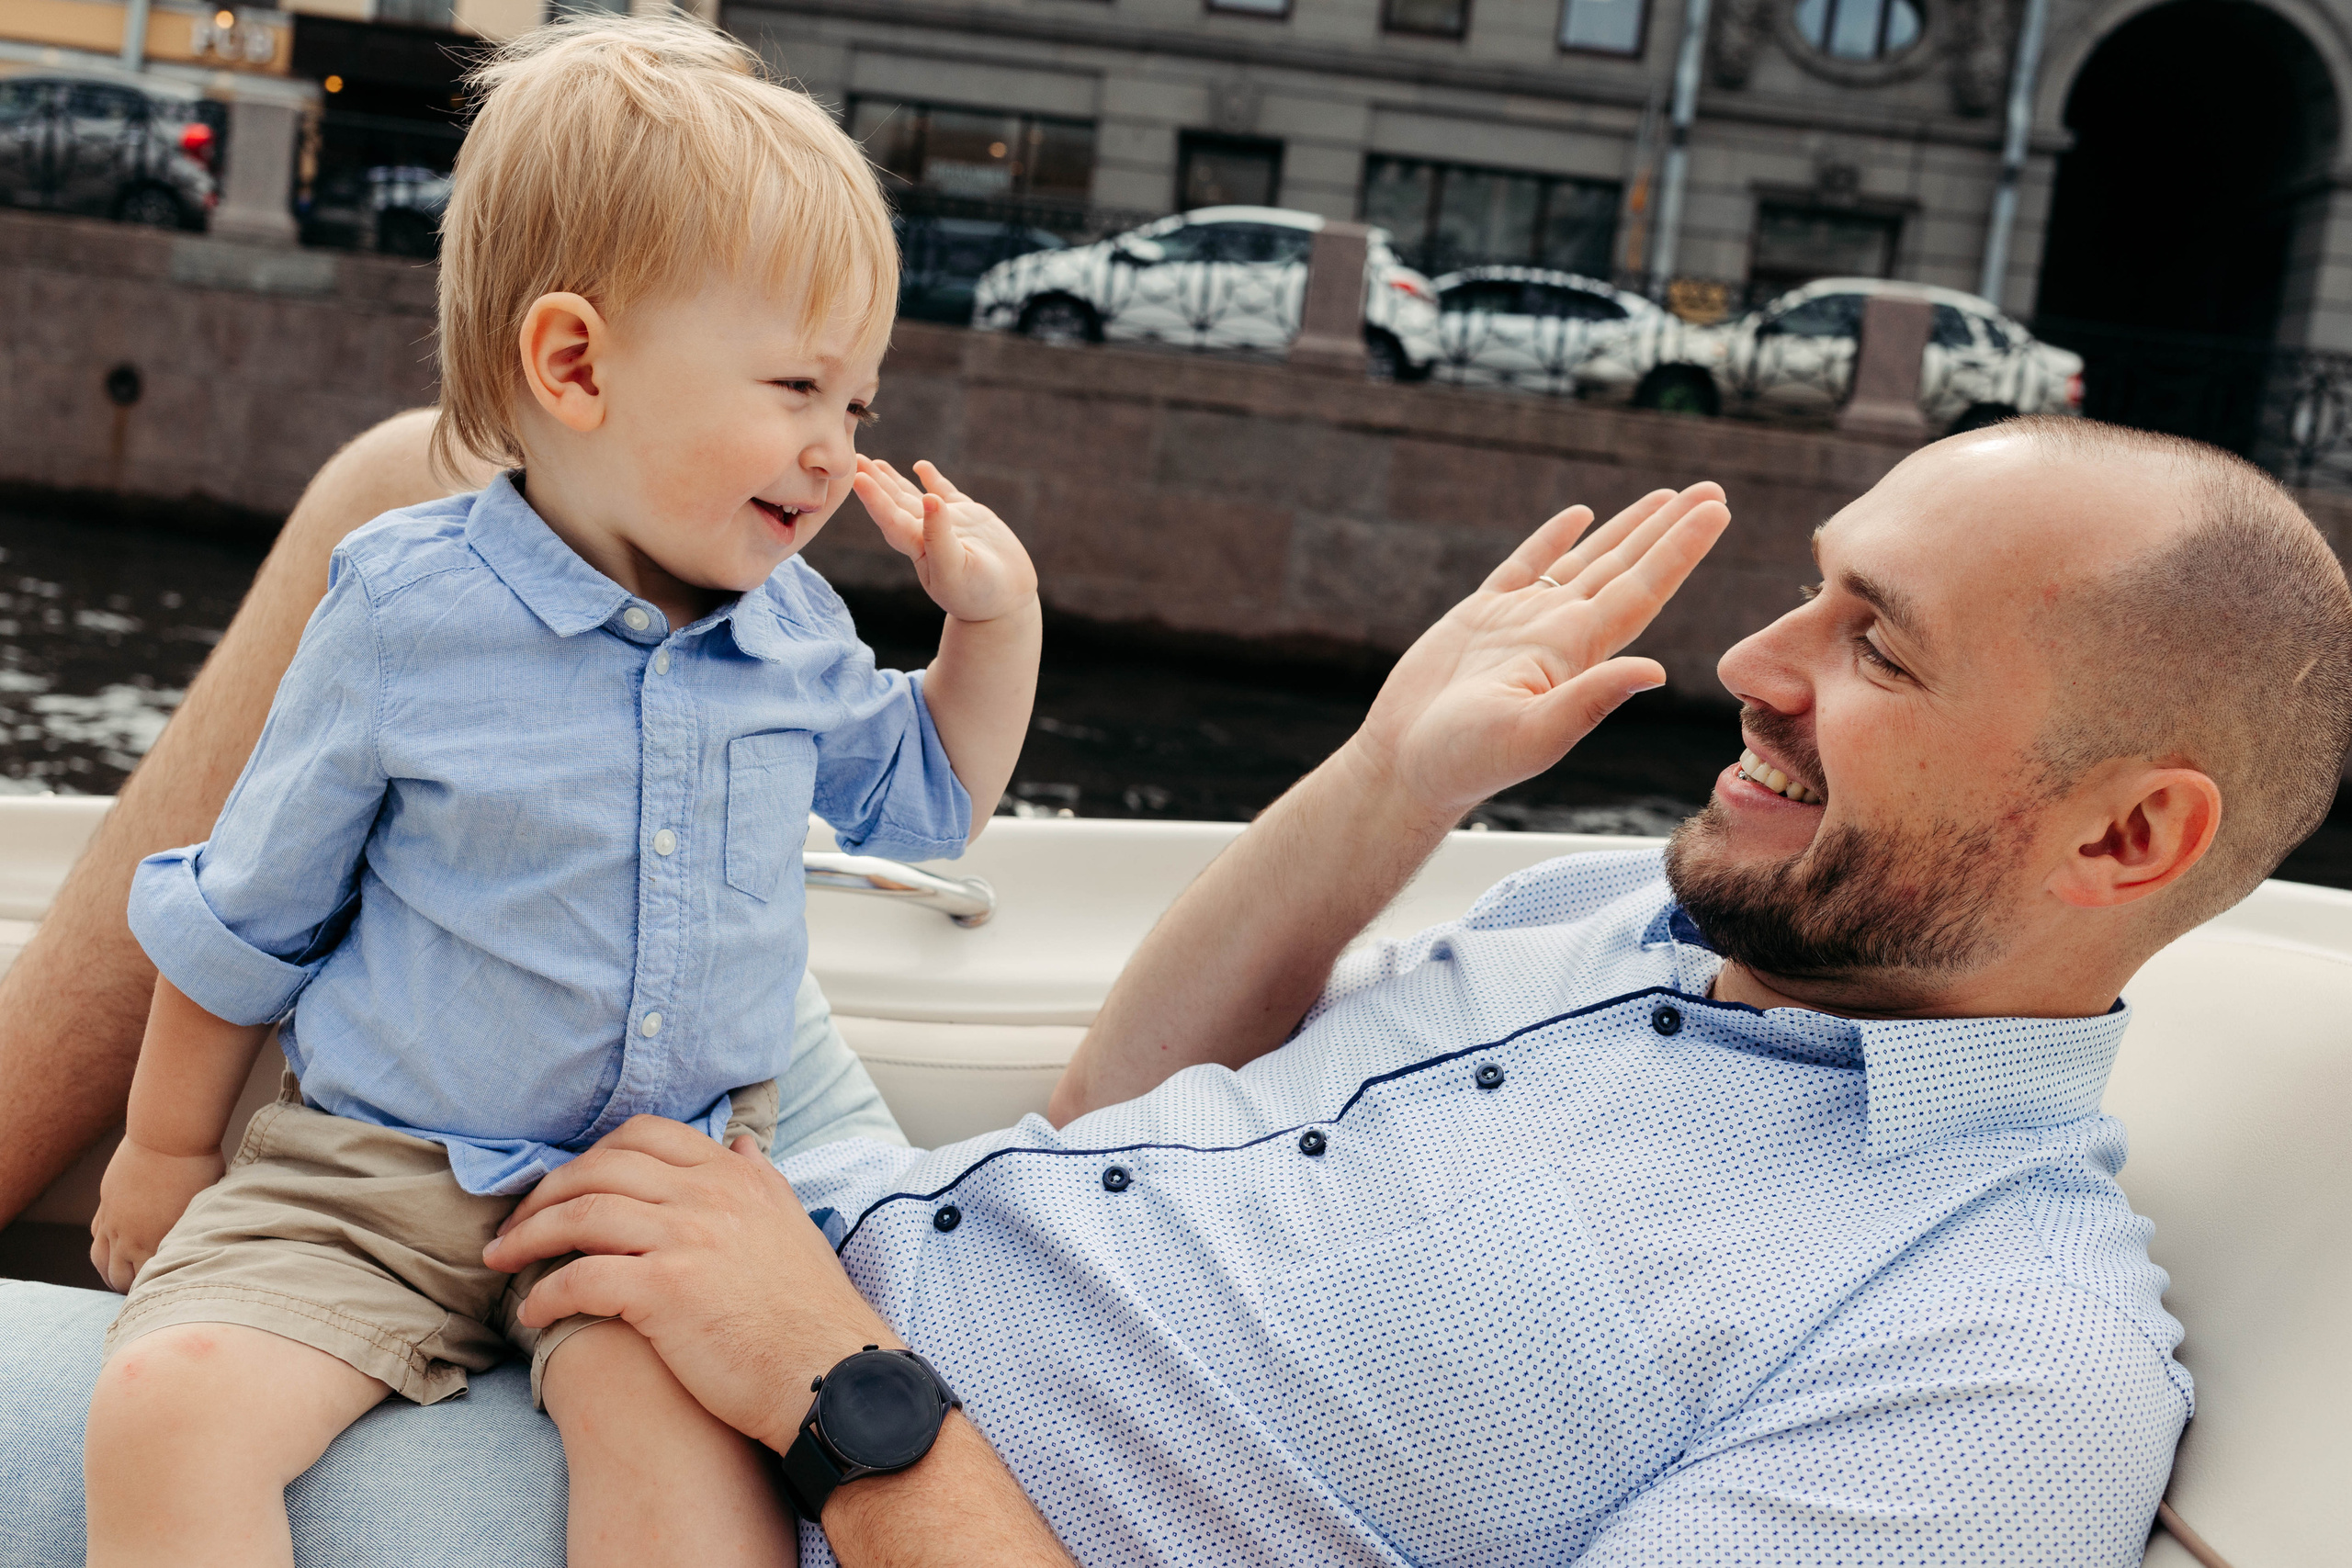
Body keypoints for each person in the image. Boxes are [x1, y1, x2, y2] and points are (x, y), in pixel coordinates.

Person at [2, 409, 2346, 1566]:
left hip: (751, 1470)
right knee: (446, 491)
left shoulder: (1991, 1358)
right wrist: (1387, 777)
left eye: (1874, 649)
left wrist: (835, 1390)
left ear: (2122, 836)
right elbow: (1115, 1119)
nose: (1756, 659)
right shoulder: (1624, 927)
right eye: (1812, 588)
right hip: (846, 1235)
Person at [73, 17, 1040, 1567]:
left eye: (856, 409)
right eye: (799, 386)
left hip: (661, 1202)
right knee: (161, 1404)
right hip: (369, 1183)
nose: (833, 452)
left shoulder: (795, 634)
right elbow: (248, 913)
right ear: (575, 365)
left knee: (695, 1477)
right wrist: (166, 1152)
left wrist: (995, 627)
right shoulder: (403, 612)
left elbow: (930, 801)